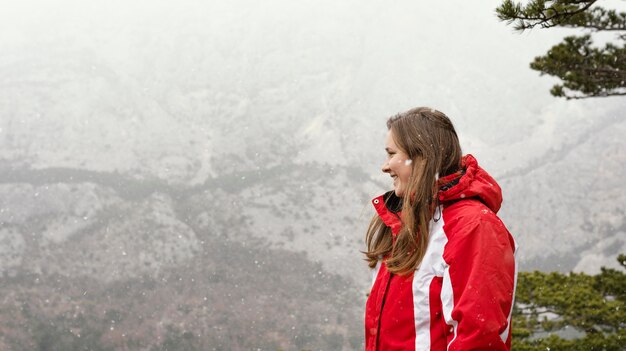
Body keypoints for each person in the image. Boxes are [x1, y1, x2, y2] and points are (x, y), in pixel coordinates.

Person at [364, 107, 517, 351]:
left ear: (421, 156)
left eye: (391, 154)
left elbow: (478, 339)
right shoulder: (406, 225)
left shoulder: (474, 227)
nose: (385, 166)